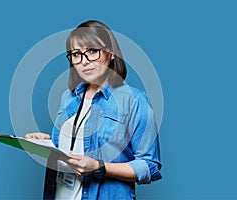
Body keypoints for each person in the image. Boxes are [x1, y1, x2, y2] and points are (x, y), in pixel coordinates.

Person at [26, 20, 162, 200]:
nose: (84, 61)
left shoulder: (135, 101)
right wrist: (46, 143)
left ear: (111, 53)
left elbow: (149, 166)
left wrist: (100, 167)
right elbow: (75, 149)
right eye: (76, 54)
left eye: (92, 51)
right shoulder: (68, 97)